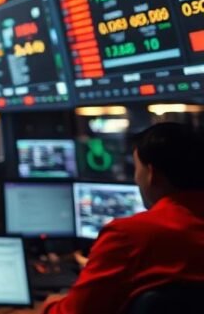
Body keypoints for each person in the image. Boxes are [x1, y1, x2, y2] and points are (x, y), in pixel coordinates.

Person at [39, 122, 204, 314]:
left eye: (136, 168)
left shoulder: (129, 236)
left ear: (152, 175)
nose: (135, 178)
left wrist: (49, 304)